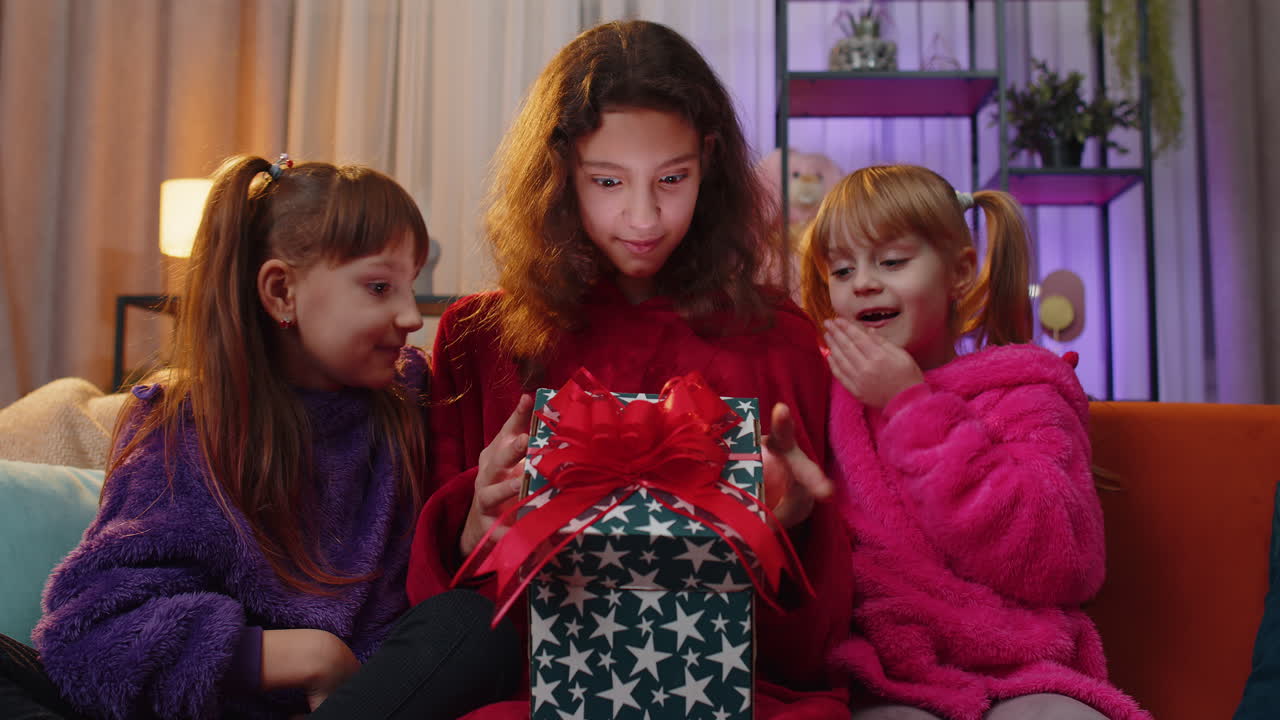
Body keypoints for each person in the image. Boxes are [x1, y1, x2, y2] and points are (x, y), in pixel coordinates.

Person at [406, 19, 855, 719]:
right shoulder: (479, 339)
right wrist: (470, 527)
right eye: (608, 181)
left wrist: (789, 529)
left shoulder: (779, 342)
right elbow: (437, 631)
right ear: (560, 173)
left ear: (708, 162)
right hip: (529, 689)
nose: (643, 216)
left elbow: (816, 644)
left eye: (671, 179)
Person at [0, 154, 517, 719]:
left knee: (470, 626)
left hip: (374, 700)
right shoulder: (188, 432)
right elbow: (92, 640)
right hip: (220, 706)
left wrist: (472, 528)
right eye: (378, 287)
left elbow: (437, 588)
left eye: (410, 286)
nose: (410, 316)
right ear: (280, 292)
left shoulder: (413, 399)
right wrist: (308, 655)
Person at [799, 164, 1150, 720]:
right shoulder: (826, 399)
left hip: (1023, 670)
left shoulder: (1025, 391)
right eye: (841, 269)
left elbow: (1060, 559)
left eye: (891, 261)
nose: (863, 281)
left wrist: (911, 407)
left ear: (960, 272)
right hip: (884, 673)